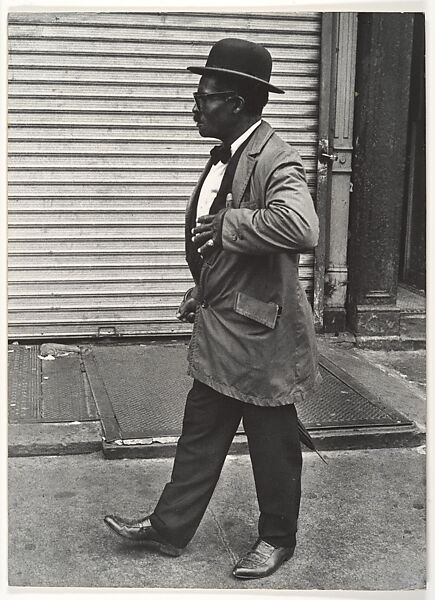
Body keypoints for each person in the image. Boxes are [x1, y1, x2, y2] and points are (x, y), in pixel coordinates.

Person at [104, 38, 321, 580]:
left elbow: (302, 227)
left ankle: (277, 540)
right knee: (201, 434)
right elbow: (231, 255)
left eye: (205, 97)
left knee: (273, 445)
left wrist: (229, 226)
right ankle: (169, 528)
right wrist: (205, 288)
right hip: (223, 322)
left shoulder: (276, 158)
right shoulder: (230, 152)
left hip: (261, 337)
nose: (196, 106)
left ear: (239, 104)